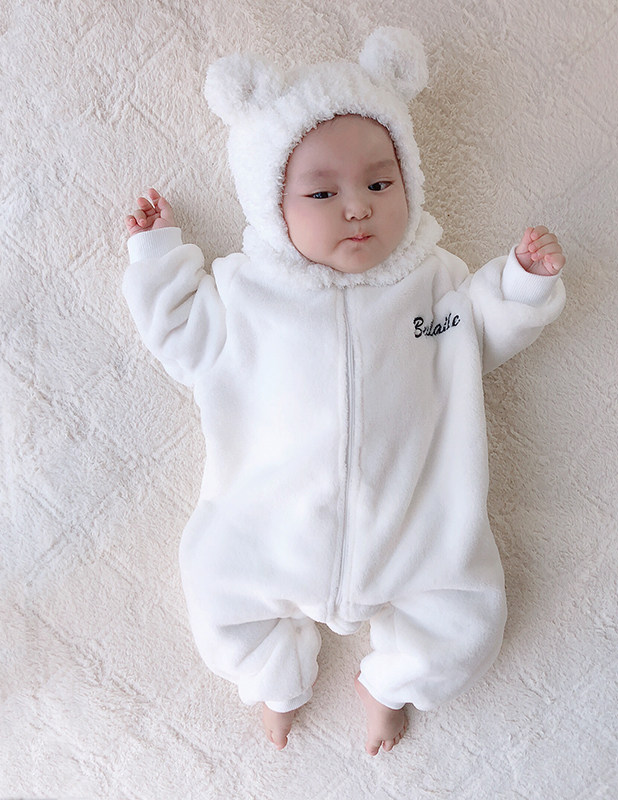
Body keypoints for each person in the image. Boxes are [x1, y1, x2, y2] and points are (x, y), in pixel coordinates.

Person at [122, 28, 565, 755]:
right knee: (214, 593)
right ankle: (274, 679)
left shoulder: (434, 285)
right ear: (272, 203)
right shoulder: (245, 294)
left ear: (409, 182)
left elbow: (478, 329)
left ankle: (390, 684)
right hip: (267, 530)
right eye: (322, 192)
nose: (356, 207)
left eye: (380, 185)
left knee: (469, 621)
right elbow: (180, 330)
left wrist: (520, 282)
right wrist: (157, 254)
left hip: (415, 530)